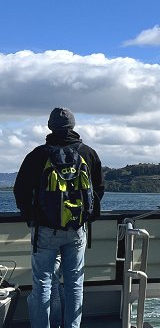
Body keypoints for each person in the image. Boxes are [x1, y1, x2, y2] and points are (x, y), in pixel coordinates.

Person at [13, 107, 104, 328]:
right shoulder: (88, 153)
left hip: (44, 230)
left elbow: (20, 190)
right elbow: (98, 189)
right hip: (77, 230)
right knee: (74, 284)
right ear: (73, 126)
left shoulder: (38, 154)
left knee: (42, 284)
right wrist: (85, 217)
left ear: (50, 126)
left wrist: (32, 217)